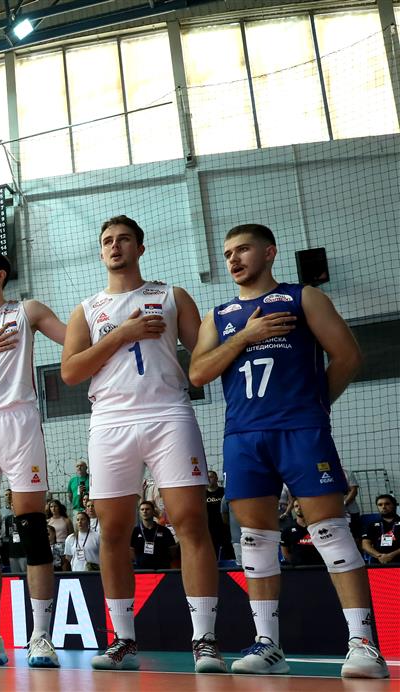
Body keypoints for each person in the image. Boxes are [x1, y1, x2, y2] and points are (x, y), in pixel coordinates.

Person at [189, 223, 388, 678]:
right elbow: (197, 374)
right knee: (255, 540)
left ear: (269, 253)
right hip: (243, 435)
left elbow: (348, 356)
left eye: (243, 250)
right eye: (228, 253)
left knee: (331, 532)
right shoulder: (218, 316)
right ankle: (268, 646)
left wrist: (314, 407)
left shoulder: (303, 298)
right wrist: (244, 337)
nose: (233, 259)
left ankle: (364, 645)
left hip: (300, 430)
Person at [61, 215, 222, 673]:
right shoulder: (87, 309)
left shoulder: (172, 296)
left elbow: (205, 357)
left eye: (124, 239)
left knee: (191, 523)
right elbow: (70, 372)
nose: (115, 246)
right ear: (100, 252)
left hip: (169, 413)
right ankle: (123, 639)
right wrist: (122, 334)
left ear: (140, 247)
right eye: (107, 241)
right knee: (112, 532)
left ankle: (205, 639)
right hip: (110, 421)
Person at [132, 501, 177, 569]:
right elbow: (130, 550)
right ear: (139, 512)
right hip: (141, 570)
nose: (144, 511)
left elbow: (172, 550)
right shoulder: (135, 531)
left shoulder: (164, 531)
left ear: (153, 511)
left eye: (147, 509)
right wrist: (138, 562)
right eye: (142, 509)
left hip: (162, 569)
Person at [280, 501, 322, 567]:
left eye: (301, 505)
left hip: (320, 567)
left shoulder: (319, 527)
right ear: (294, 509)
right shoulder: (287, 530)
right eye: (296, 506)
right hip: (299, 569)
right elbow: (285, 553)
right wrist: (296, 564)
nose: (299, 508)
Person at [362, 494, 399, 565]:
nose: (383, 507)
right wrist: (379, 556)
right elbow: (365, 544)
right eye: (380, 505)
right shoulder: (372, 524)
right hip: (379, 561)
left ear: (394, 505)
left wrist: (391, 555)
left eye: (387, 504)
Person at [204, 471, 232, 561]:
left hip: (224, 526)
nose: (209, 479)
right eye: (207, 477)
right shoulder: (202, 494)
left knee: (228, 550)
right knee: (212, 552)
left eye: (211, 477)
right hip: (210, 528)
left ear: (216, 478)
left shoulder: (224, 492)